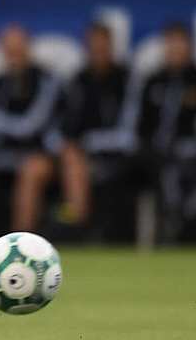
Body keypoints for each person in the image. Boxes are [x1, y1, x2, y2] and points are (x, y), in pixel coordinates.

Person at [0, 24, 61, 236]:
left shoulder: (45, 82)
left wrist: (1, 125)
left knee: (31, 169)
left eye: (18, 49)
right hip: (1, 155)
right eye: (9, 50)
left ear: (28, 49)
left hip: (41, 154)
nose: (14, 56)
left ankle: (22, 239)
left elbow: (32, 126)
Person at [59, 22, 137, 240]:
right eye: (94, 47)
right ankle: (69, 221)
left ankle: (77, 227)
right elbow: (67, 124)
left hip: (121, 155)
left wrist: (87, 143)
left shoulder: (126, 79)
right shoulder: (79, 80)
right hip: (80, 155)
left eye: (102, 46)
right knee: (66, 158)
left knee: (74, 159)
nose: (98, 52)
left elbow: (128, 134)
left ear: (112, 47)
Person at [137, 23, 196, 242]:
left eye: (180, 42)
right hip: (157, 153)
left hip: (194, 152)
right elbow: (141, 125)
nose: (175, 48)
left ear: (189, 46)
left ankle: (189, 218)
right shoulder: (153, 81)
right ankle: (174, 221)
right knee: (165, 168)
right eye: (170, 43)